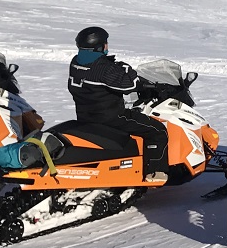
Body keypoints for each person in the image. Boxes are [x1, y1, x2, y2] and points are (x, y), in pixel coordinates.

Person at [67, 26, 169, 182]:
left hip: (85, 117)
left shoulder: (75, 63)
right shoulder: (104, 68)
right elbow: (130, 84)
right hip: (112, 118)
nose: (107, 45)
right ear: (99, 46)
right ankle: (155, 173)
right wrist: (125, 68)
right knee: (157, 130)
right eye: (105, 43)